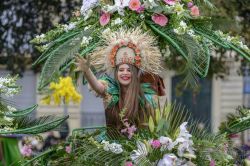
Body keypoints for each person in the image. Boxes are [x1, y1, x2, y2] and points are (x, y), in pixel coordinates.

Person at [75, 28, 165, 131]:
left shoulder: (145, 96)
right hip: (110, 144)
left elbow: (153, 126)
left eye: (128, 70)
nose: (125, 73)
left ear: (134, 74)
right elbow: (97, 87)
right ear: (116, 73)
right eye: (121, 70)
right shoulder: (110, 91)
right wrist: (87, 71)